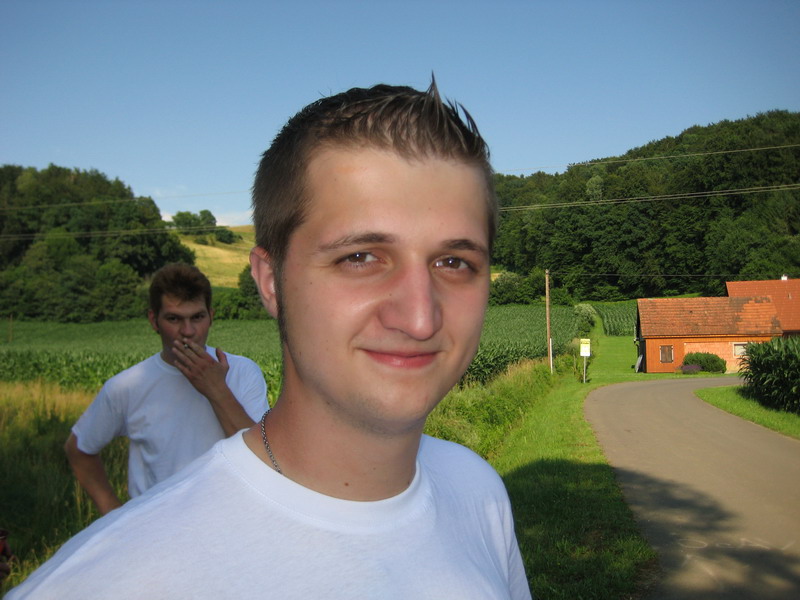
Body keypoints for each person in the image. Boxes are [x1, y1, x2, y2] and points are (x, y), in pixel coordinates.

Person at [8, 80, 532, 599]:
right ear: (270, 281)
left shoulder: (478, 490)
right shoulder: (111, 582)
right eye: (360, 257)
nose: (420, 318)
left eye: (454, 262)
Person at [63, 263, 268, 514]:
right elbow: (78, 449)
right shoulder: (128, 386)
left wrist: (217, 389)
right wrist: (115, 516)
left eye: (197, 317)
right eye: (174, 319)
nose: (188, 331)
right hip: (154, 529)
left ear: (211, 317)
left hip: (228, 523)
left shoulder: (243, 372)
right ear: (154, 321)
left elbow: (261, 460)